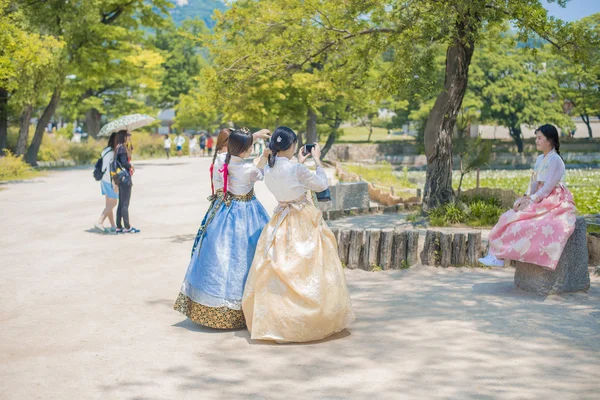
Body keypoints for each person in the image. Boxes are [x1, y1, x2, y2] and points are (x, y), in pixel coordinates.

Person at [242, 126, 355, 343]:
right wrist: (318, 160)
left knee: (278, 266)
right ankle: (313, 317)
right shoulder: (295, 170)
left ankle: (278, 320)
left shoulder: (269, 168)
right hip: (302, 219)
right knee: (310, 267)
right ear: (292, 146)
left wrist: (300, 163)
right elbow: (320, 184)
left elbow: (289, 180)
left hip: (280, 220)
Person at [174, 127, 271, 329]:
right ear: (246, 149)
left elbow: (237, 146)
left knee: (222, 256)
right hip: (247, 212)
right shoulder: (247, 169)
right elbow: (259, 174)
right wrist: (263, 156)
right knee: (245, 256)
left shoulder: (224, 159)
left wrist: (254, 136)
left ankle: (212, 305)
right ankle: (246, 307)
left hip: (226, 211)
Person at [479, 124, 576, 270]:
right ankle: (496, 255)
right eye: (536, 138)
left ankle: (499, 255)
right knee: (506, 217)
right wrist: (525, 197)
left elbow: (548, 188)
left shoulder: (556, 160)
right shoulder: (539, 159)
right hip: (539, 196)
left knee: (522, 223)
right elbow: (534, 182)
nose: (536, 141)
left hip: (553, 199)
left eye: (539, 138)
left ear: (549, 140)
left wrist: (532, 199)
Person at [113, 130, 140, 234]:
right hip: (125, 178)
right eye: (128, 135)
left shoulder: (118, 147)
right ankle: (127, 227)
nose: (130, 137)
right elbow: (124, 163)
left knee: (121, 203)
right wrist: (131, 166)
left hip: (119, 178)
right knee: (125, 204)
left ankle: (119, 227)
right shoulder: (122, 148)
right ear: (123, 136)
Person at [94, 132, 118, 233]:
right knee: (113, 203)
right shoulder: (113, 152)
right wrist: (115, 183)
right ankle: (100, 221)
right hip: (109, 179)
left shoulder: (105, 150)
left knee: (108, 204)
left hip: (103, 179)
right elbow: (111, 168)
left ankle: (113, 225)